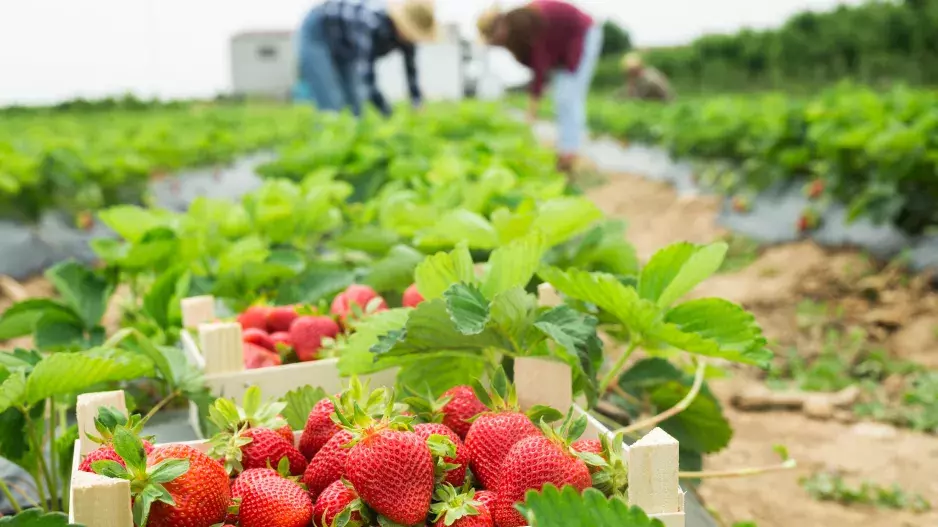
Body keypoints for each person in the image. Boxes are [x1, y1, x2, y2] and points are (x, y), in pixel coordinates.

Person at [477, 1, 603, 171]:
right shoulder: (514, 31)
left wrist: (532, 108)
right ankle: (566, 150)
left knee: (568, 97)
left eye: (493, 34)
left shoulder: (522, 22)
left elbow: (539, 64)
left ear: (499, 25)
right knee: (562, 98)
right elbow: (539, 65)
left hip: (584, 33)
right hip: (564, 45)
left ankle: (571, 153)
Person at [297, 0, 437, 117]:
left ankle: (350, 140)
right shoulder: (370, 23)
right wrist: (387, 112)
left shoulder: (406, 39)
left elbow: (411, 71)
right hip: (318, 33)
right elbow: (366, 75)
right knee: (331, 103)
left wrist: (417, 103)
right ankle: (325, 144)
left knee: (356, 105)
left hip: (347, 45)